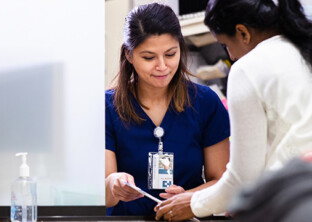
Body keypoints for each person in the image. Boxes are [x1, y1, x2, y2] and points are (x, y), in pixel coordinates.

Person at [155, 0, 312, 221]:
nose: (231, 56)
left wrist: (192, 203)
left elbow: (242, 179)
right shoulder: (302, 50)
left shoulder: (247, 68)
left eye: (225, 45)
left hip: (293, 202)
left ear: (243, 33)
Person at [105, 3, 230, 217]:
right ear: (129, 54)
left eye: (171, 54)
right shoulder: (107, 108)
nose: (162, 66)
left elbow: (222, 182)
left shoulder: (206, 102)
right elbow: (103, 195)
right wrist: (113, 184)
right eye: (149, 57)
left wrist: (190, 199)